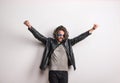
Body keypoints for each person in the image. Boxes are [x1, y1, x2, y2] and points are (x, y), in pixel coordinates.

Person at [24, 20, 98, 83]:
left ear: (65, 35)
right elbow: (39, 36)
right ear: (56, 34)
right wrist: (30, 26)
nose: (61, 36)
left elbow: (79, 38)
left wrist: (92, 29)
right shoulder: (50, 42)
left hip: (64, 72)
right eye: (59, 34)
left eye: (63, 35)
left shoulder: (68, 43)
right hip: (53, 71)